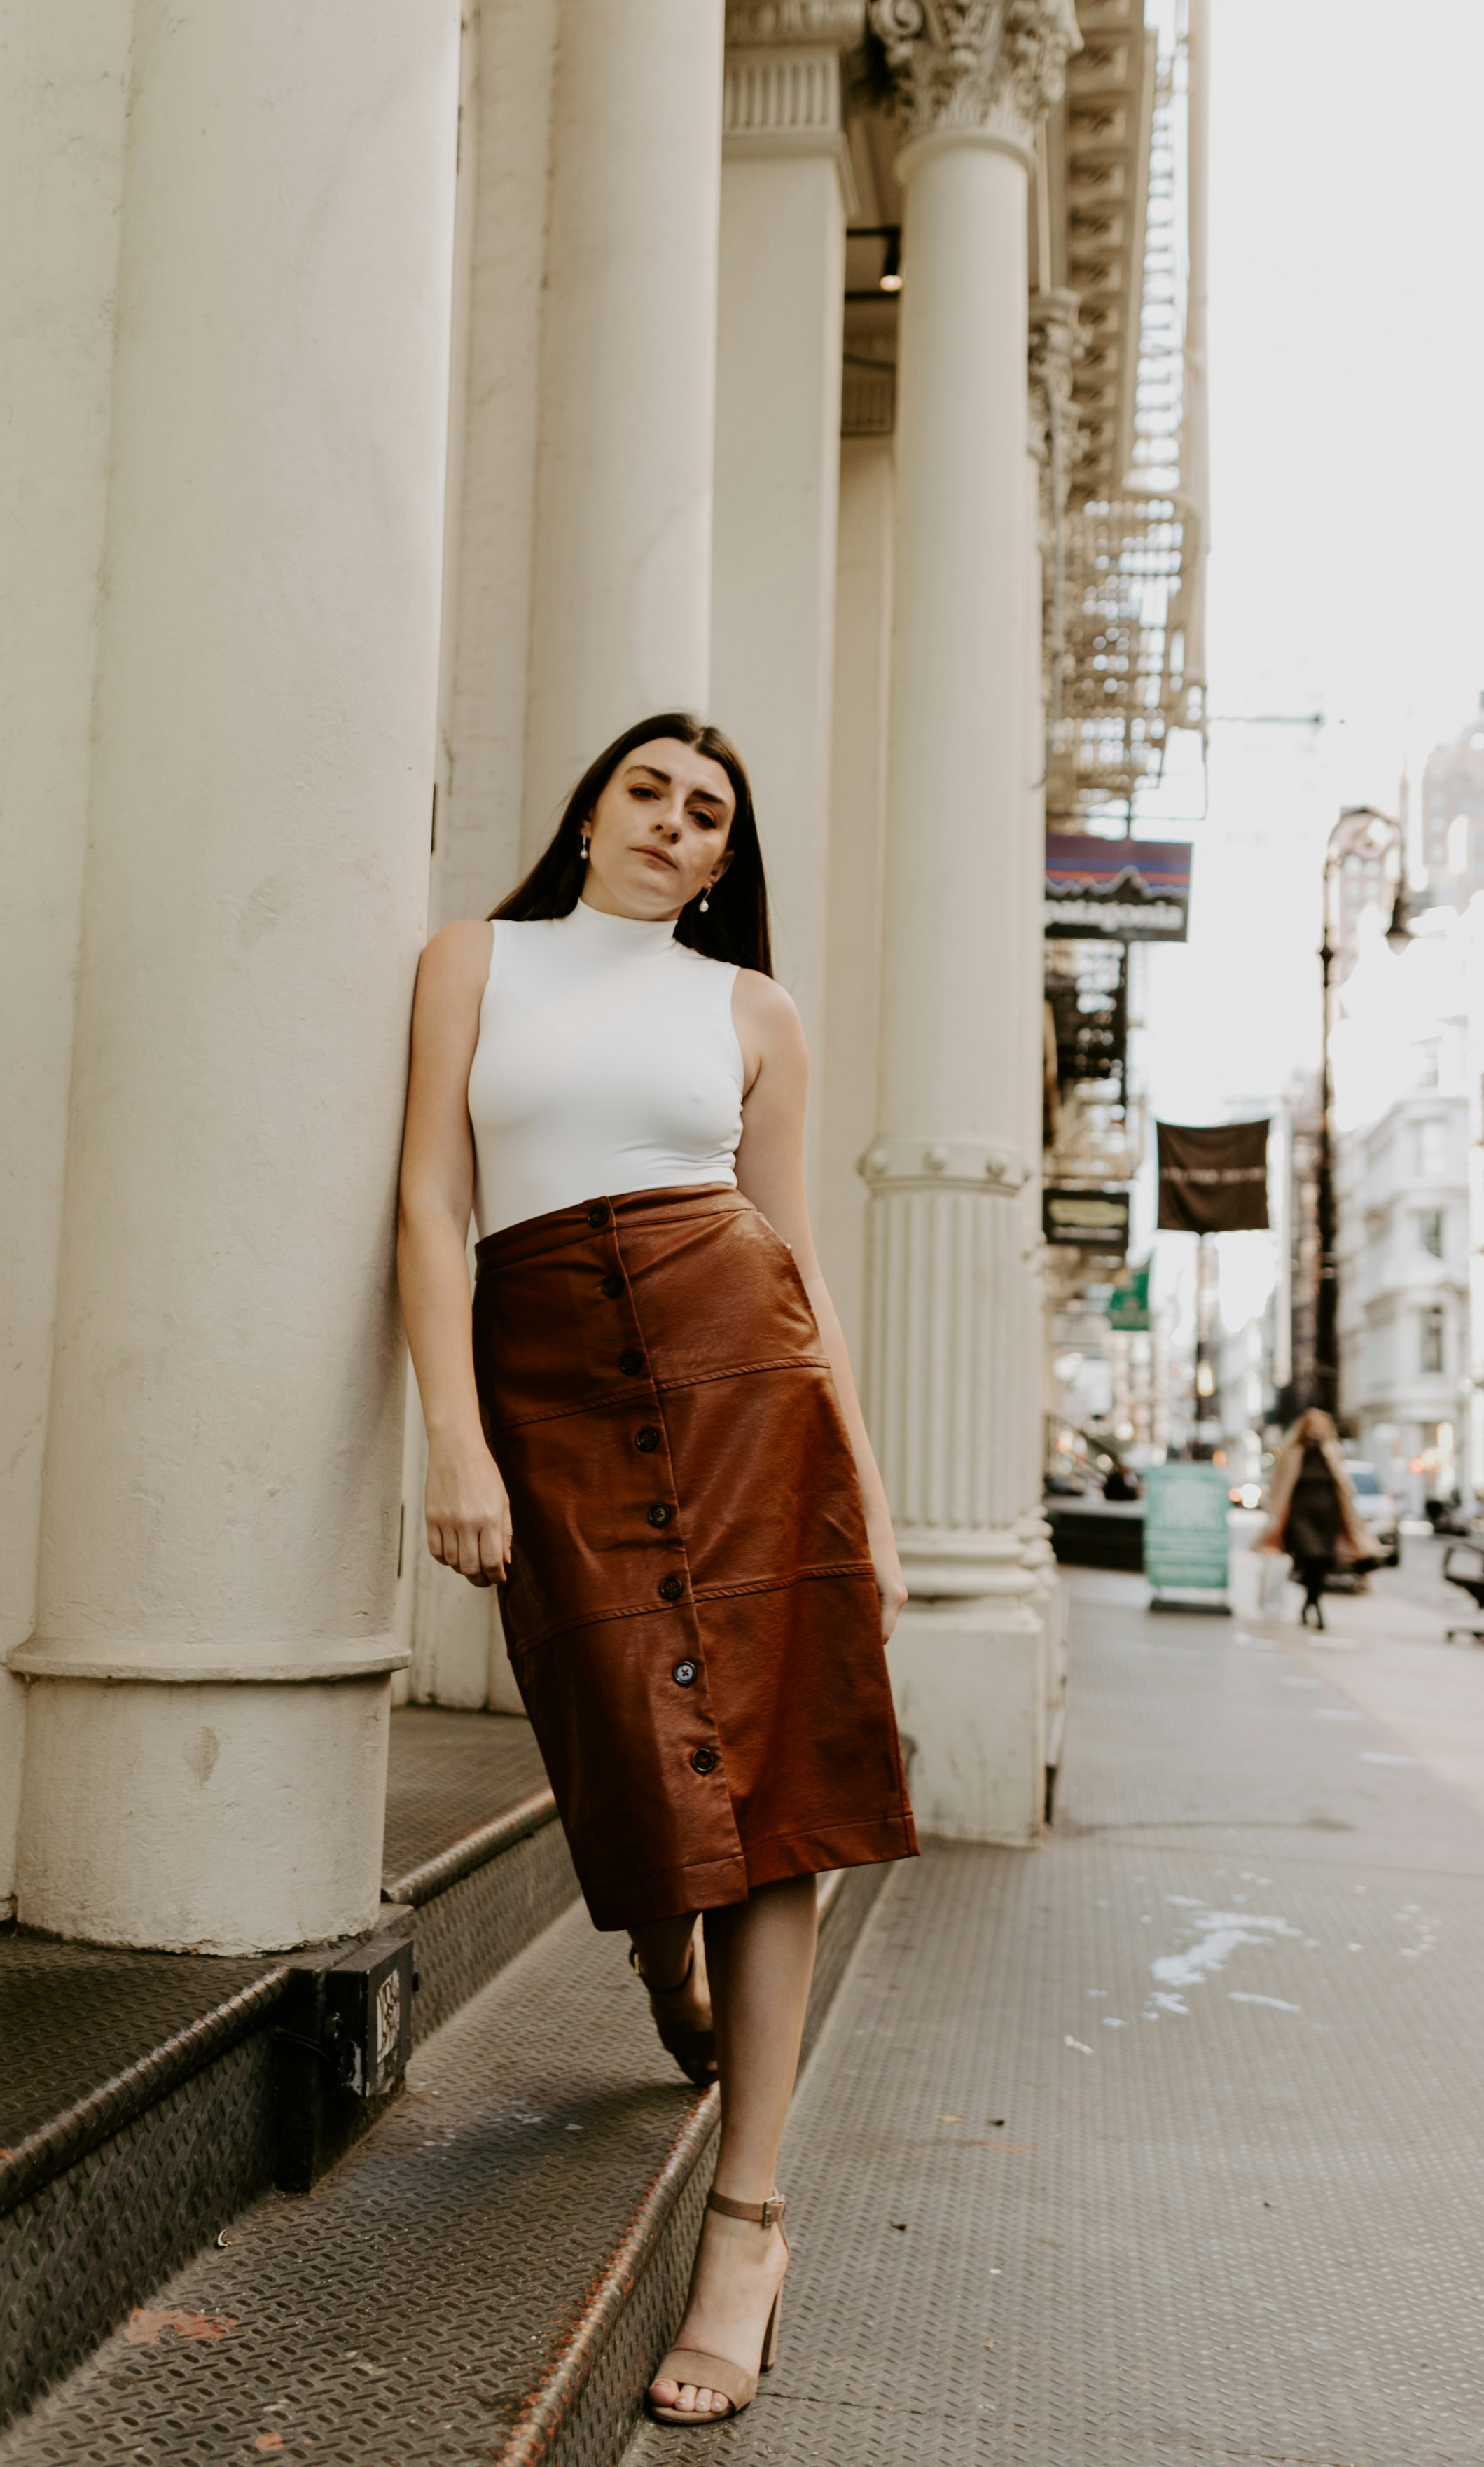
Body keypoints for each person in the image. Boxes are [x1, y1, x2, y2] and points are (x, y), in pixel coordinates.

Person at [398, 712, 917, 2428]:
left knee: (783, 1789)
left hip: (742, 1374)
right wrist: (455, 1443)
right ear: (593, 805)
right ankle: (663, 1968)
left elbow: (794, 1249)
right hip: (546, 1372)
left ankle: (747, 2224)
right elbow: (428, 1205)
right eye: (650, 791)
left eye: (708, 815)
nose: (674, 825)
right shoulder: (473, 960)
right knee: (619, 1731)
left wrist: (873, 1492)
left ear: (721, 858)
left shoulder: (752, 1010)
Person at [1257, 1408, 1376, 1627]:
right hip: (1301, 1516)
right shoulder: (1293, 1453)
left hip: (1327, 1517)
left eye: (1320, 1428)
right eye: (1313, 1428)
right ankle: (1316, 1607)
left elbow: (1343, 1484)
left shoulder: (1331, 1451)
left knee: (1323, 1561)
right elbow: (1280, 1485)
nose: (1316, 1433)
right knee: (1311, 1556)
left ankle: (1310, 1603)